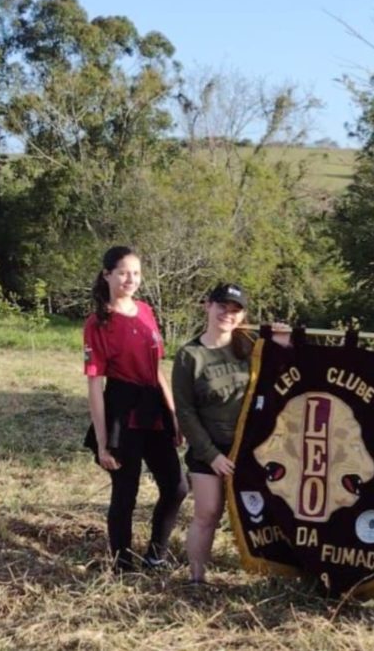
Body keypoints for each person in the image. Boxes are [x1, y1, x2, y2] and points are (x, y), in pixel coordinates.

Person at [83, 246, 188, 573]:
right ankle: (122, 564)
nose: (131, 279)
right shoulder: (98, 322)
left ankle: (157, 553)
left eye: (137, 273)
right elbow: (94, 387)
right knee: (125, 493)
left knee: (176, 486)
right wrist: (102, 443)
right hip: (121, 410)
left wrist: (173, 415)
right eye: (124, 272)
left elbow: (157, 369)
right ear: (107, 275)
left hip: (153, 407)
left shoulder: (145, 310)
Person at [171, 283, 253, 586]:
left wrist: (283, 341)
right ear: (207, 305)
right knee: (208, 513)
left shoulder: (250, 346)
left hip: (249, 446)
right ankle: (196, 578)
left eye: (235, 311)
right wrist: (212, 456)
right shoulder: (189, 355)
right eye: (222, 307)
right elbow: (186, 412)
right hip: (209, 447)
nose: (227, 315)